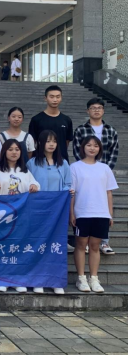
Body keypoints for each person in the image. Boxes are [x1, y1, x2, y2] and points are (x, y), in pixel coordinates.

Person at [71, 136, 118, 293]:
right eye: (89, 145)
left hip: (101, 213)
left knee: (95, 246)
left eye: (95, 145)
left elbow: (109, 192)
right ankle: (81, 278)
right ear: (83, 147)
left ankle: (94, 278)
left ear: (100, 149)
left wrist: (110, 214)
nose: (92, 148)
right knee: (80, 245)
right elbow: (72, 193)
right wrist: (72, 214)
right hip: (82, 212)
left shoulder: (104, 168)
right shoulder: (75, 167)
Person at [73, 98, 119, 255]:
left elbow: (114, 151)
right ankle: (84, 241)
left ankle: (104, 242)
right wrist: (86, 167)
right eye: (93, 108)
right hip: (84, 171)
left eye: (99, 108)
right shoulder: (81, 130)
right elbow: (77, 150)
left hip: (103, 173)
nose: (96, 110)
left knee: (103, 204)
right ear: (88, 111)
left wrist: (105, 169)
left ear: (103, 110)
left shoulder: (111, 130)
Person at [27, 130, 71, 295]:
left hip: (57, 212)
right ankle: (37, 280)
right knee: (38, 245)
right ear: (40, 143)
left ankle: (54, 280)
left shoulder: (63, 163)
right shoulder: (32, 163)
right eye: (48, 141)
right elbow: (28, 184)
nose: (51, 144)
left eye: (54, 141)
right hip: (38, 211)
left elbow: (68, 184)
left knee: (55, 246)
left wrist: (66, 193)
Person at [0, 139, 40, 293]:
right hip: (3, 215)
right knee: (3, 248)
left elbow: (36, 184)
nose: (14, 152)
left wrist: (34, 186)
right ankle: (2, 279)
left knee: (18, 248)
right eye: (11, 149)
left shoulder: (24, 170)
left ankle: (17, 280)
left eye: (17, 149)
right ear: (4, 151)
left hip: (21, 215)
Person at [28, 85, 73, 163]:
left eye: (58, 97)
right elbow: (33, 142)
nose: (55, 100)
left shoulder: (66, 120)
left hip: (61, 161)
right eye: (51, 97)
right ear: (45, 98)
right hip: (40, 161)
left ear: (61, 98)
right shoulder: (36, 119)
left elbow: (66, 142)